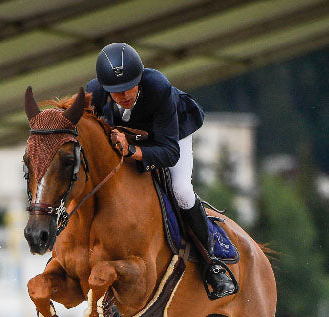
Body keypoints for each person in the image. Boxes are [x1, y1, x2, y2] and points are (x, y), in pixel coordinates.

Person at [85, 42, 236, 300]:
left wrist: (133, 151)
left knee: (181, 191)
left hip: (170, 135)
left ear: (139, 78)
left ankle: (211, 262)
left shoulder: (158, 88)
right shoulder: (94, 95)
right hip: (131, 139)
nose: (124, 95)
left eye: (129, 86)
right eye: (116, 91)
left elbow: (168, 152)